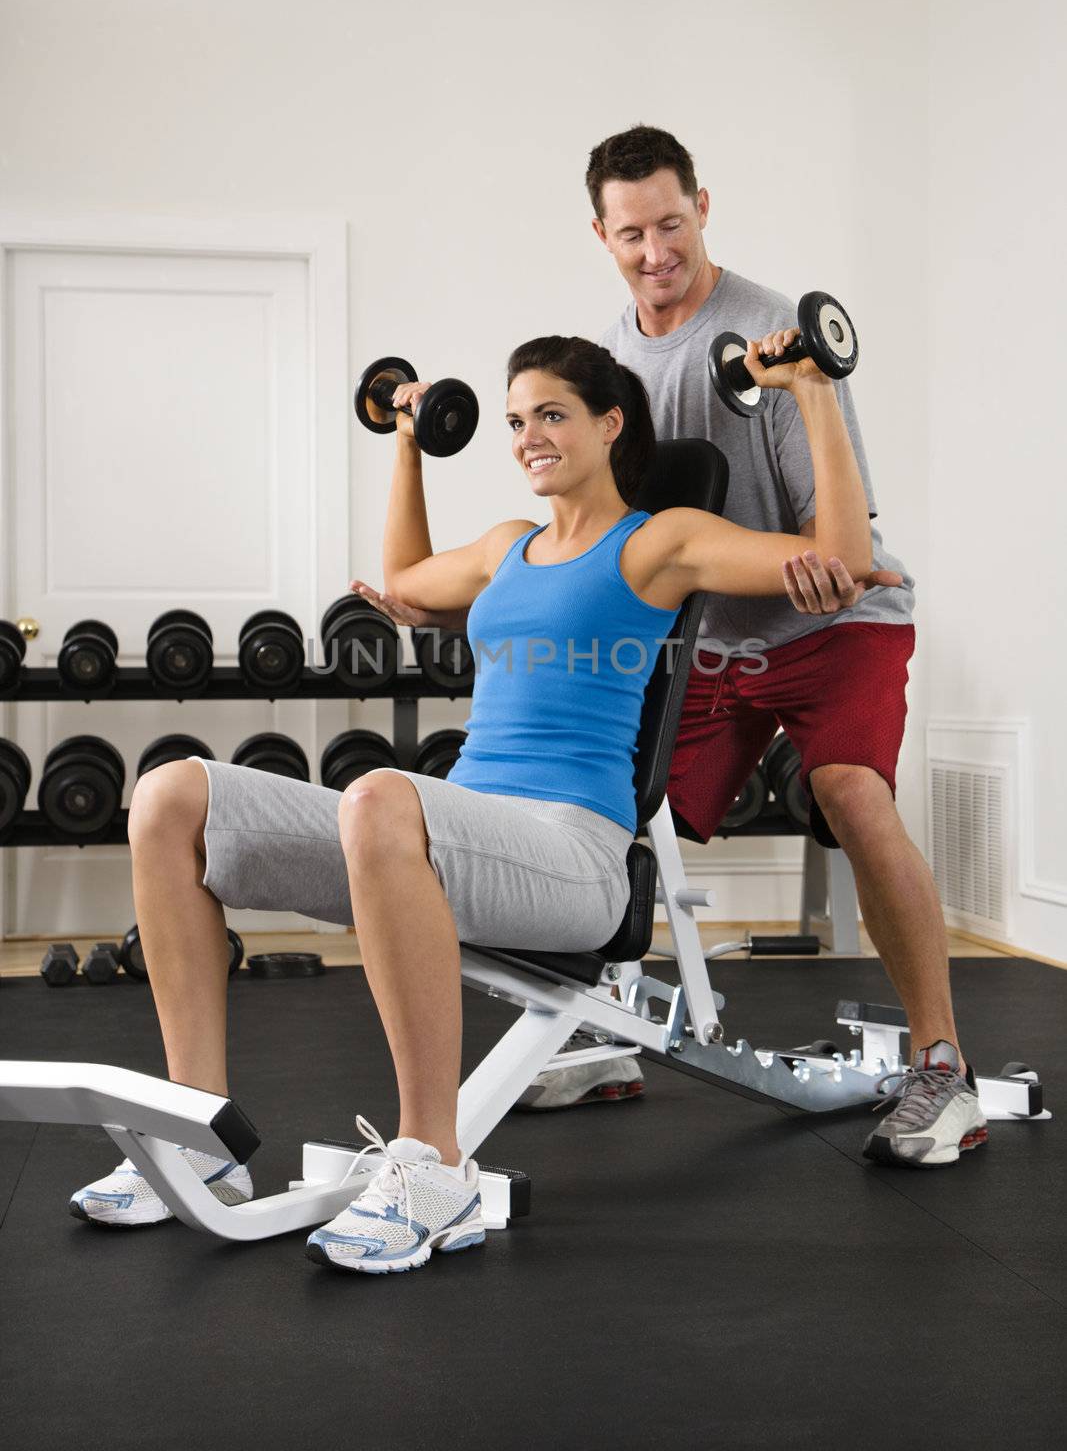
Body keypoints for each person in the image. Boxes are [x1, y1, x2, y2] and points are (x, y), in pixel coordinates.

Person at [70, 324, 904, 1274]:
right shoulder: (509, 547)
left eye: (551, 414)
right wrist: (404, 437)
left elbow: (836, 555)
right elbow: (406, 582)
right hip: (448, 839)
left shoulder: (657, 543)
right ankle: (198, 1144)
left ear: (609, 423)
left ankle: (435, 1166)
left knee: (383, 796)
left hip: (572, 854)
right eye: (514, 421)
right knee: (172, 794)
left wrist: (809, 389)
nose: (527, 437)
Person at [585, 124, 978, 1167]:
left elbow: (835, 542)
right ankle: (606, 1023)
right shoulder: (609, 362)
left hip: (834, 620)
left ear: (701, 206)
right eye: (631, 233)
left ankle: (941, 1067)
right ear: (600, 233)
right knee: (606, 797)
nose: (654, 250)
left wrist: (820, 559)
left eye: (670, 222)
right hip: (713, 639)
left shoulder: (772, 330)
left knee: (849, 790)